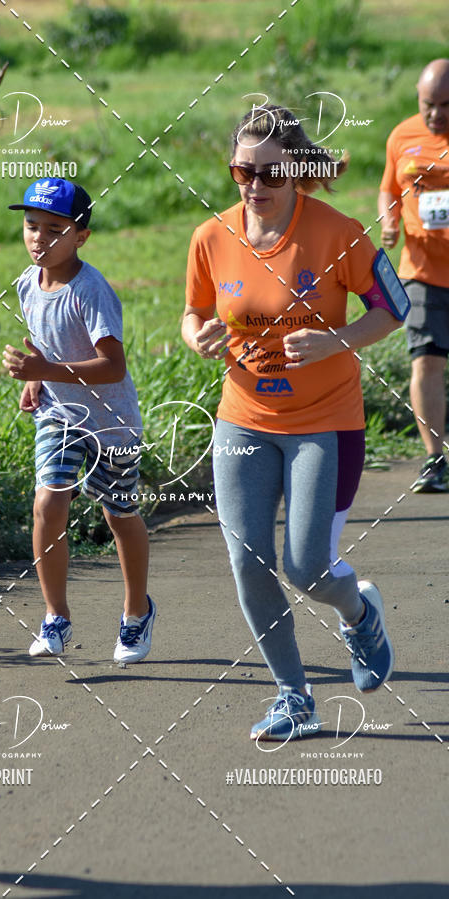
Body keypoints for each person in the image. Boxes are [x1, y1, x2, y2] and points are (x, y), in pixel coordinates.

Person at [182, 105, 403, 742]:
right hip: (243, 420)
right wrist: (199, 336)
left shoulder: (339, 234)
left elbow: (394, 307)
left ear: (298, 172)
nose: (254, 184)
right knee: (248, 559)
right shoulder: (210, 237)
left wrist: (336, 340)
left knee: (305, 567)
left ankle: (360, 615)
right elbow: (193, 313)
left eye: (269, 173)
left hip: (324, 422)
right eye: (241, 171)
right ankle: (293, 697)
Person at [2, 177, 155, 663]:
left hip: (112, 424)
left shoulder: (91, 291)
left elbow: (114, 367)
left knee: (120, 514)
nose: (39, 238)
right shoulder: (27, 283)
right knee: (48, 501)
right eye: (31, 226)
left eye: (54, 228)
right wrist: (35, 381)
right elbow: (44, 344)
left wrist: (44, 369)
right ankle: (56, 618)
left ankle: (136, 613)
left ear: (81, 236)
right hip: (60, 416)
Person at [379, 58, 449, 492]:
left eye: (445, 105)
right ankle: (434, 457)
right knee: (425, 359)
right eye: (429, 104)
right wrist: (388, 221)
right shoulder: (402, 136)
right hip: (421, 270)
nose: (436, 114)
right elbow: (389, 188)